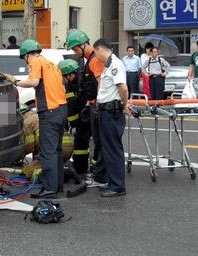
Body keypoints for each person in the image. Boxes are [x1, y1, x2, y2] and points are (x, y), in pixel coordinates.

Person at [14, 39, 67, 199]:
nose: (27, 62)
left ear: (28, 55)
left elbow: (34, 81)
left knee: (48, 152)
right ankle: (57, 186)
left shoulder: (36, 61)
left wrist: (15, 81)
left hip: (49, 112)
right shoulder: (52, 64)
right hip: (61, 110)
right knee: (56, 150)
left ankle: (50, 189)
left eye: (25, 58)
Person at [92, 38, 130, 197]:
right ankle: (113, 182)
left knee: (113, 149)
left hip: (111, 112)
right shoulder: (108, 65)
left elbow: (123, 87)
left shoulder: (115, 64)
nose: (95, 56)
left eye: (95, 52)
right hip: (105, 112)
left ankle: (117, 186)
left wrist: (125, 104)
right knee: (108, 149)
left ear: (100, 49)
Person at [65, 30, 103, 186]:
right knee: (96, 142)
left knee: (100, 143)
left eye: (75, 49)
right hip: (93, 106)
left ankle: (99, 175)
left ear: (83, 44)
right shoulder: (88, 61)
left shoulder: (95, 59)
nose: (75, 52)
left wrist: (97, 104)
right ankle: (98, 173)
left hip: (98, 108)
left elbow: (101, 84)